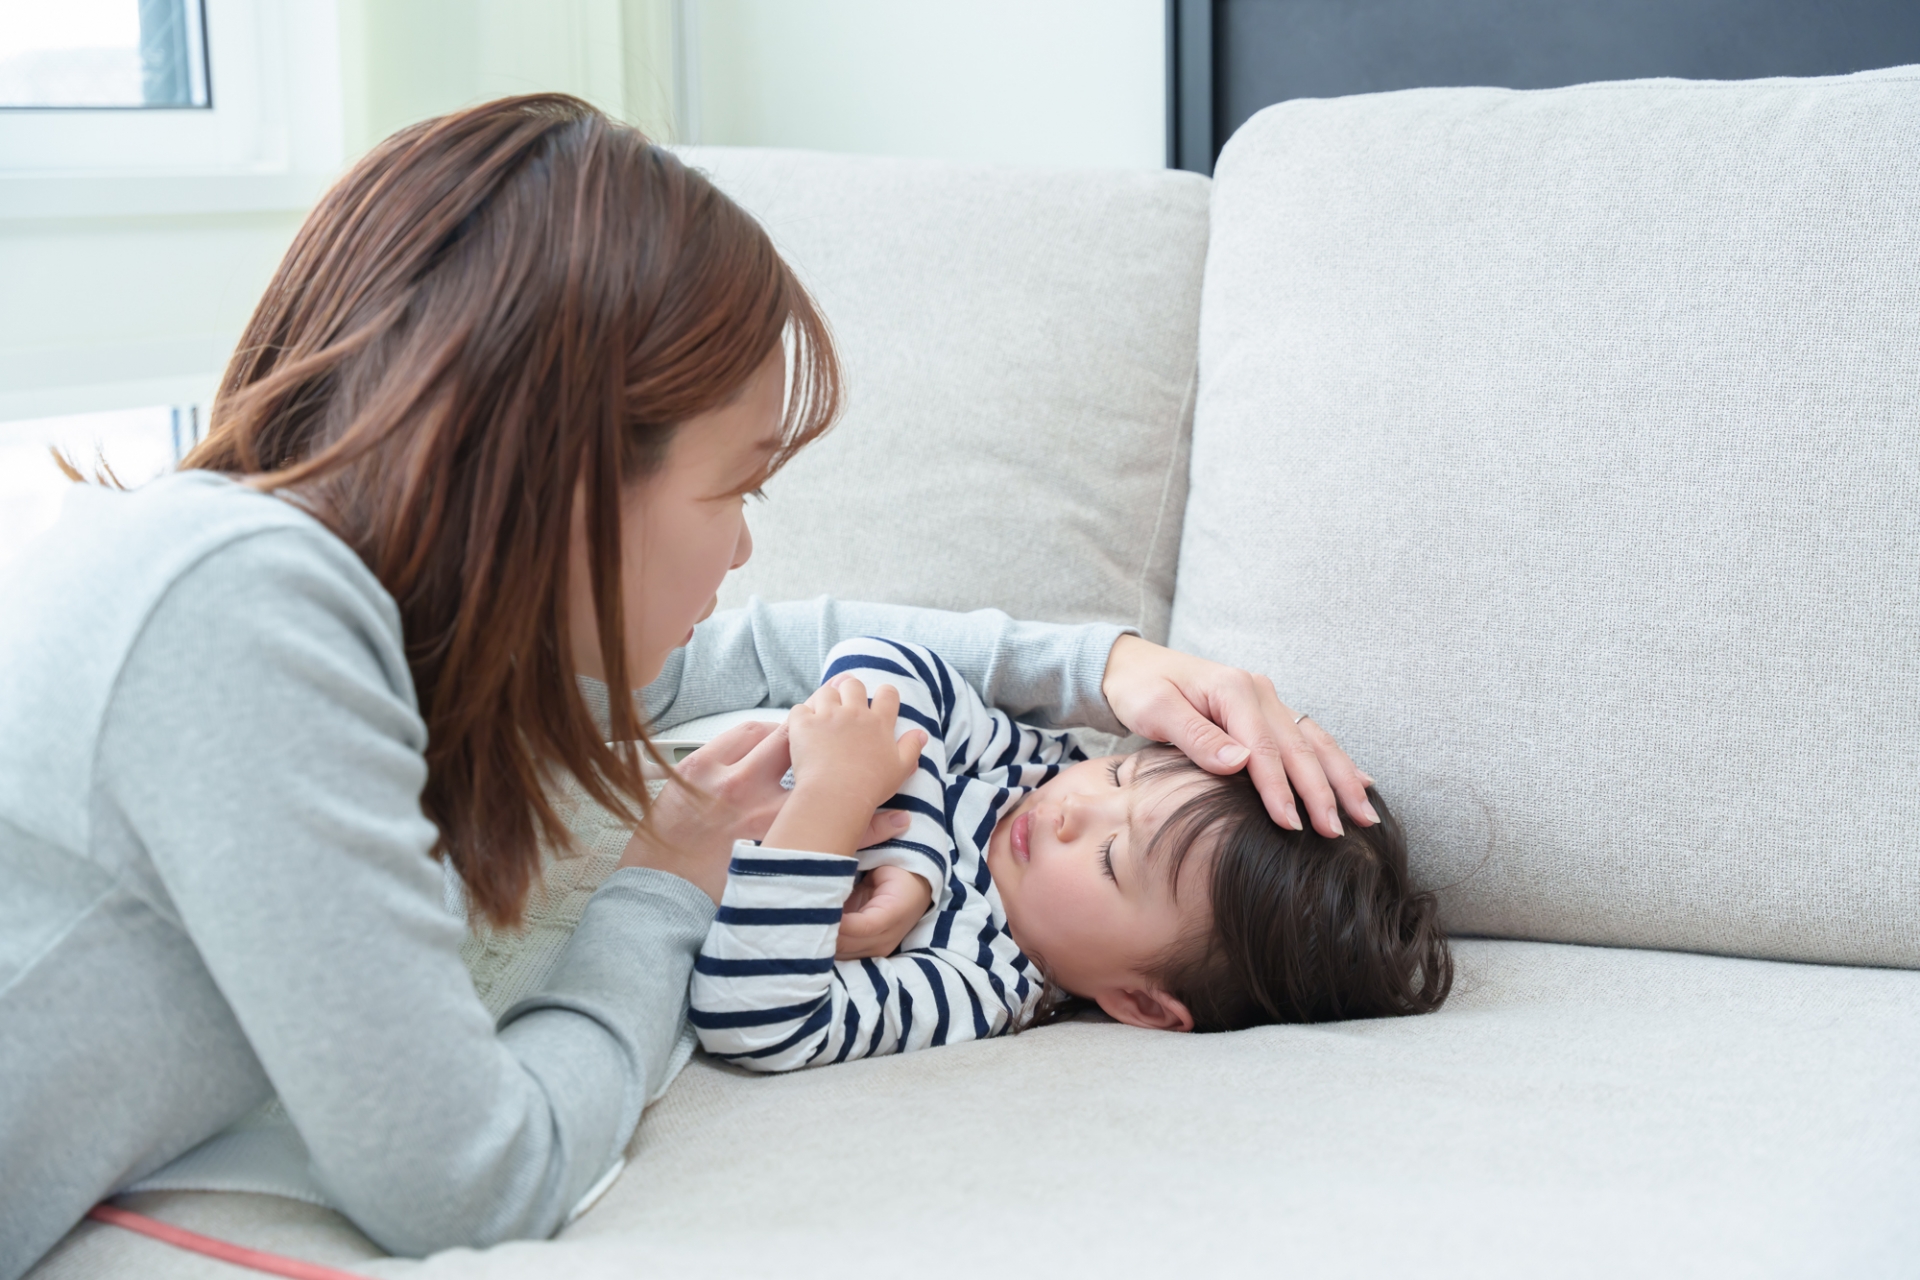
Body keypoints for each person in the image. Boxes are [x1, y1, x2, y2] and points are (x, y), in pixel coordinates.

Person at [0, 95, 1376, 1279]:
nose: (743, 548)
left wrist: (1112, 667)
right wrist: (664, 889)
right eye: (736, 487)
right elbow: (474, 1178)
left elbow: (754, 659)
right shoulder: (249, 629)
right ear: (574, 482)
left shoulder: (366, 634)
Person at [691, 639, 1449, 1070]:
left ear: (1141, 1002)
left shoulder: (974, 981)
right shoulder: (1024, 769)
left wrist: (829, 804)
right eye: (1120, 773)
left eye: (1113, 859)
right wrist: (911, 848)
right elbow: (878, 655)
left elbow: (757, 1021)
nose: (1073, 810)